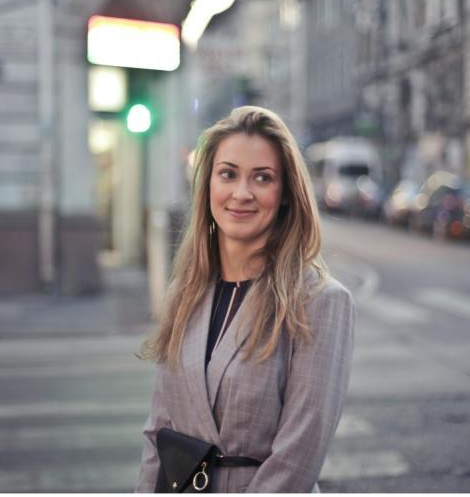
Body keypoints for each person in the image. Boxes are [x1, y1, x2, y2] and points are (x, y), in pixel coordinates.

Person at [136, 106, 356, 493]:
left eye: (262, 178)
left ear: (285, 194)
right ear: (208, 185)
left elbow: (298, 457)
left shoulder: (319, 301)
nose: (242, 193)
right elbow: (158, 432)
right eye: (228, 174)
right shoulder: (184, 294)